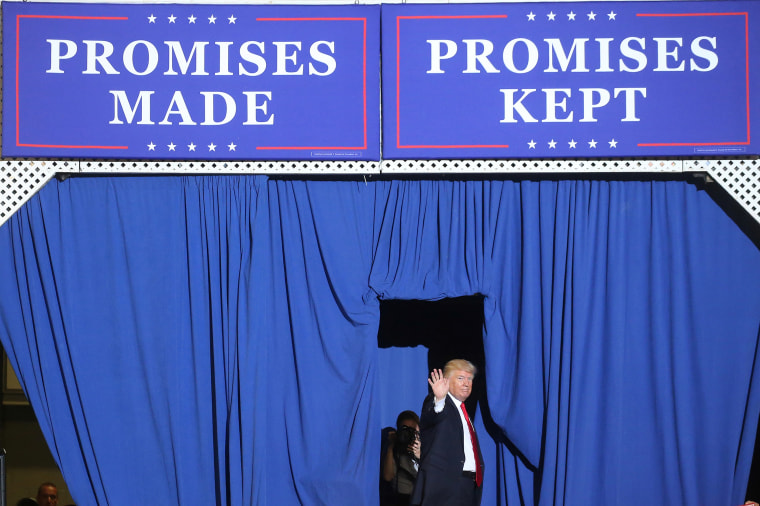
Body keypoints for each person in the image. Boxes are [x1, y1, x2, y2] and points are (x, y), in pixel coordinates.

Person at [411, 359, 484, 506]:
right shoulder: (438, 402)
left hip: (467, 487)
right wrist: (439, 399)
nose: (466, 383)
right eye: (460, 378)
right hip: (445, 487)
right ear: (446, 381)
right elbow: (434, 415)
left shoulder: (463, 411)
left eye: (470, 379)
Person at [382, 410, 421, 506]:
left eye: (412, 430)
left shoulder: (425, 447)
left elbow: (432, 479)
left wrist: (420, 455)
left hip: (420, 498)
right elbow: (387, 476)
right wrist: (391, 446)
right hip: (400, 498)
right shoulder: (395, 448)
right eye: (405, 429)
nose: (408, 434)